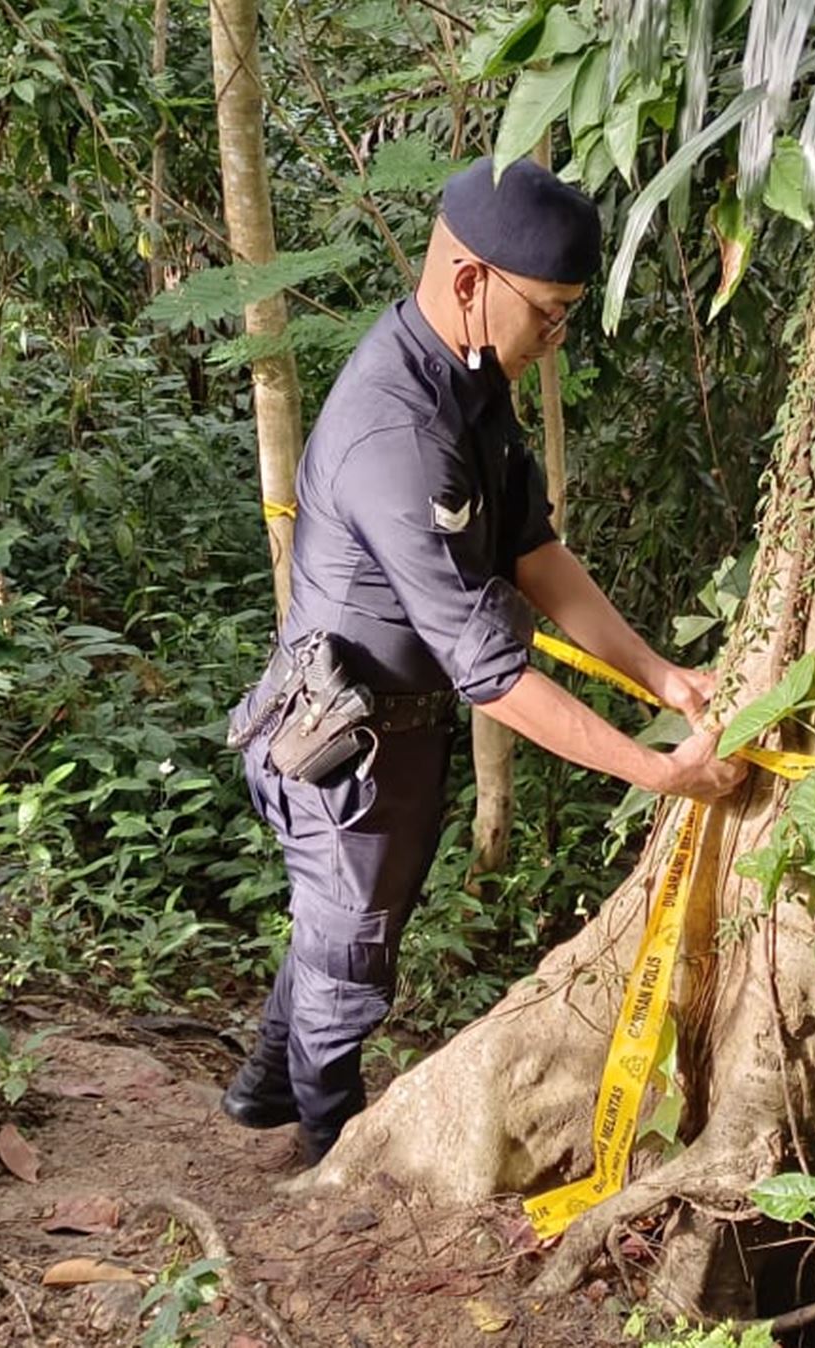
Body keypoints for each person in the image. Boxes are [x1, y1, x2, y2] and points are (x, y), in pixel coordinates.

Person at [223, 155, 747, 1163]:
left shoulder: (468, 382)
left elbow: (533, 555)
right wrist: (656, 771)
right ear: (471, 283)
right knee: (350, 954)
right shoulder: (396, 426)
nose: (554, 340)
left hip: (401, 735)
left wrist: (662, 678)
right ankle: (328, 1150)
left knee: (346, 922)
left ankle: (260, 1093)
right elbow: (492, 671)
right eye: (547, 314)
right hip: (340, 737)